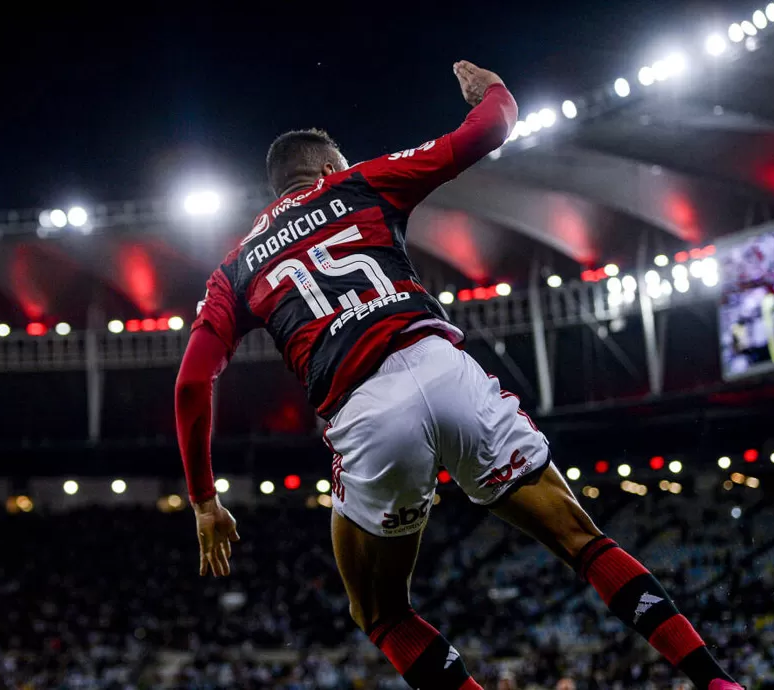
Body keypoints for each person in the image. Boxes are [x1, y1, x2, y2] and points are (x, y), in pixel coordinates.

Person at [175, 60, 744, 690]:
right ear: (330, 168)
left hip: (364, 410)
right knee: (584, 542)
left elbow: (192, 385)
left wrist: (204, 498)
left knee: (380, 613)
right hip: (443, 366)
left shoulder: (233, 270)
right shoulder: (359, 184)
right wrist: (491, 88)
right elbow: (489, 129)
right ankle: (715, 682)